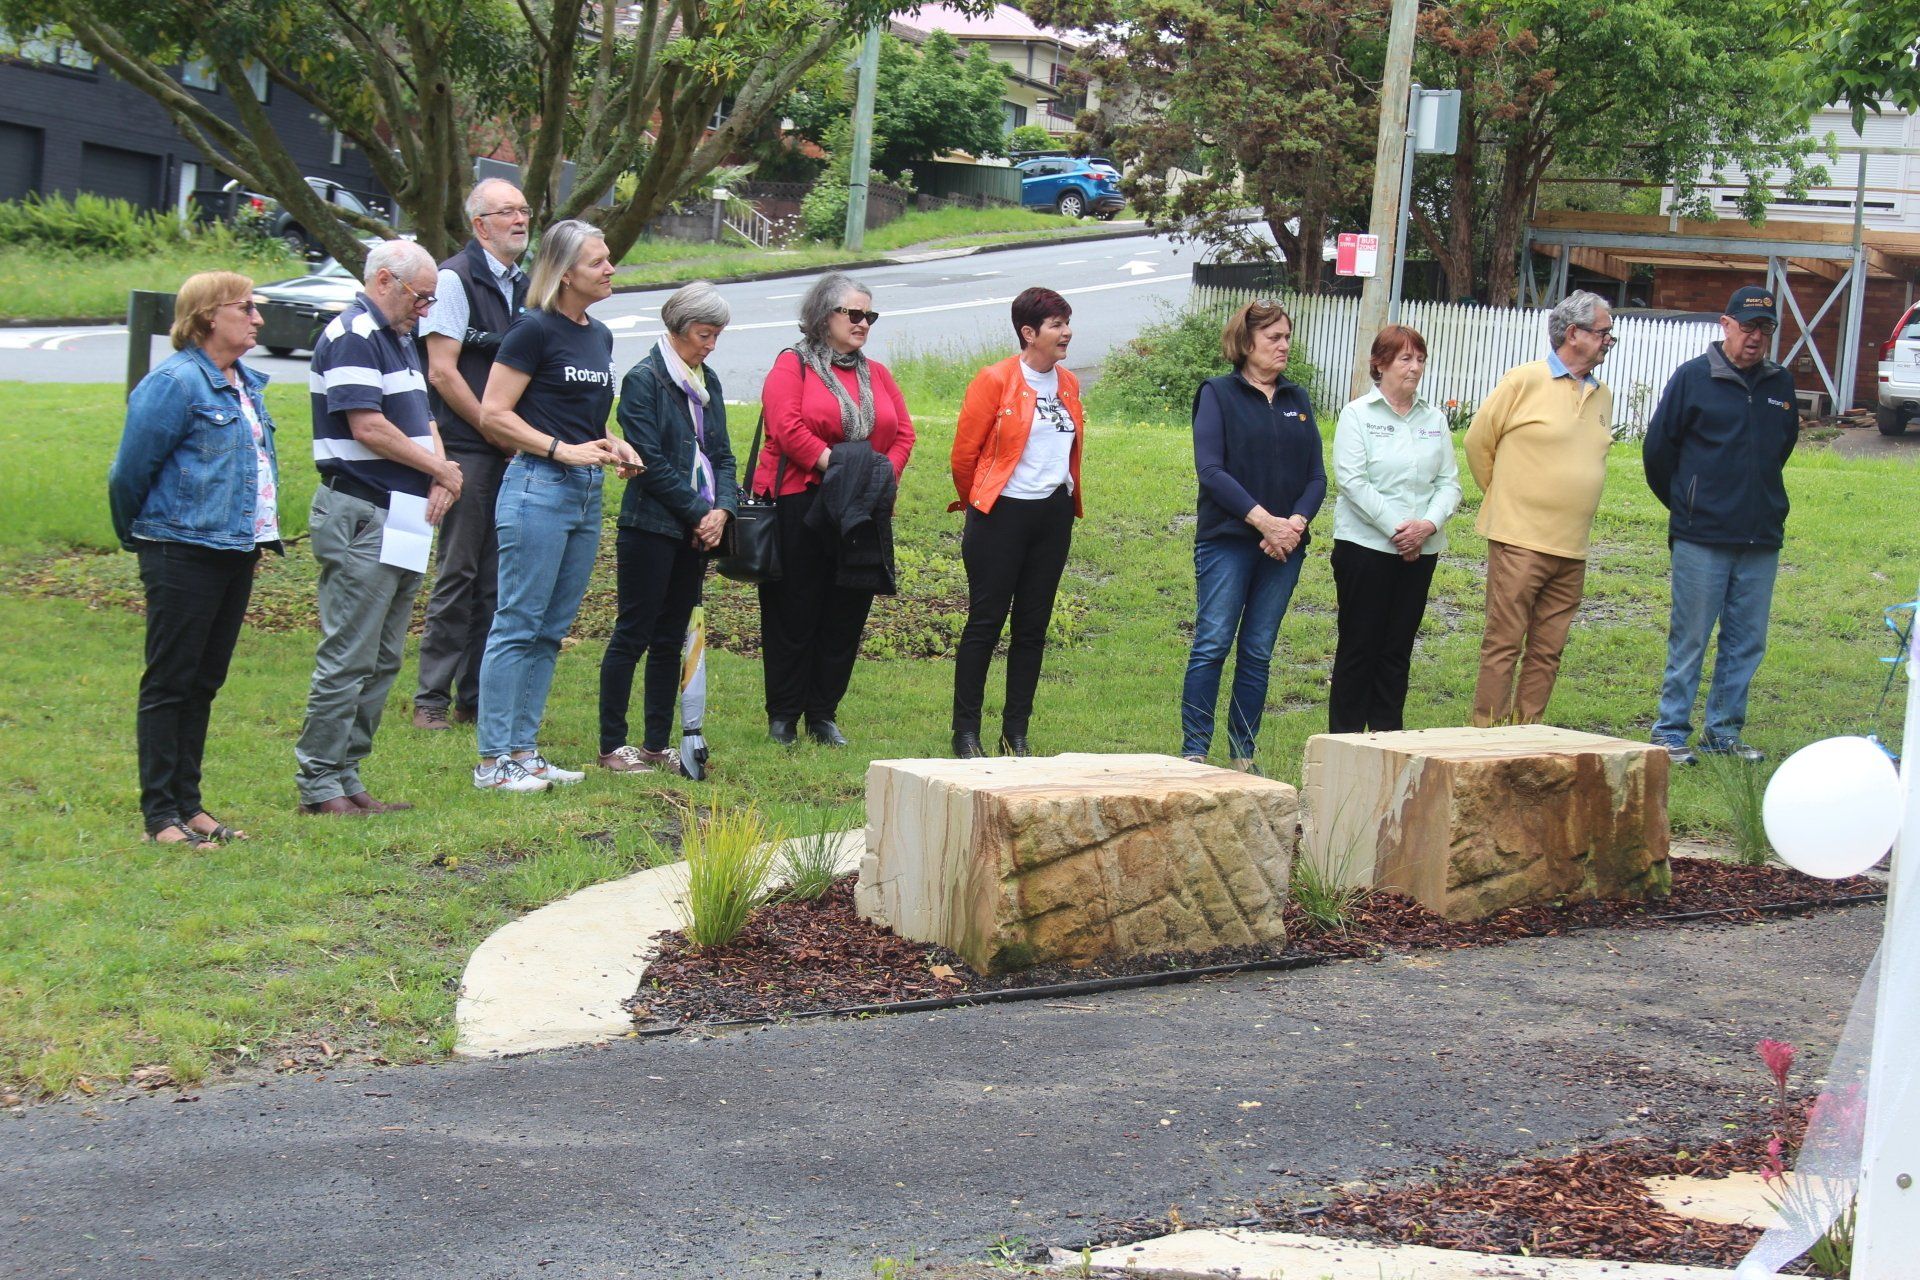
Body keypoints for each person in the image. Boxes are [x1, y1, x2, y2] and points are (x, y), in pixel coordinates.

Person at [108, 271, 282, 846]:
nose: (257, 319)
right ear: (209, 315)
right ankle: (160, 815)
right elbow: (128, 473)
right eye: (246, 308)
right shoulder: (176, 383)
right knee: (171, 681)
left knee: (204, 680)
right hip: (180, 552)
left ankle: (191, 803)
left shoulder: (245, 383)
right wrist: (145, 540)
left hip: (234, 550)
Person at [472, 219, 642, 793]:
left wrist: (612, 442)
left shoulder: (598, 335)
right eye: (598, 262)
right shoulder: (532, 330)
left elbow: (582, 418)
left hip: (584, 490)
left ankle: (526, 751)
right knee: (517, 623)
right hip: (537, 487)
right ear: (565, 273)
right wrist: (560, 450)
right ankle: (493, 761)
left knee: (549, 629)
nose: (610, 269)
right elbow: (493, 413)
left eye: (608, 258)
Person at [295, 239, 461, 816]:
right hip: (363, 513)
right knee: (349, 653)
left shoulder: (398, 340)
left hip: (405, 516)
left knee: (385, 655)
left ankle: (347, 773)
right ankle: (319, 783)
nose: (426, 309)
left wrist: (442, 473)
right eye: (422, 296)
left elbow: (422, 420)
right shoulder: (353, 336)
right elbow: (367, 426)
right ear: (386, 280)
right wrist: (439, 468)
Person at [753, 272, 914, 748]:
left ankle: (822, 714)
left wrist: (877, 480)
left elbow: (903, 433)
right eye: (855, 314)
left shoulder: (877, 373)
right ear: (825, 316)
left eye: (870, 316)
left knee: (846, 609)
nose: (864, 323)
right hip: (802, 500)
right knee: (794, 609)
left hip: (861, 509)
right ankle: (783, 715)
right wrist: (840, 469)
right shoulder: (793, 365)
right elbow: (786, 427)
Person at [1643, 285, 1799, 765]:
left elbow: (1781, 449)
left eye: (1765, 329)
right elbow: (1658, 452)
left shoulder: (1780, 385)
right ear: (1725, 325)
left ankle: (1723, 734)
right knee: (1690, 637)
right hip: (1701, 536)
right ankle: (1670, 734)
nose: (1755, 338)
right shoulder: (1692, 378)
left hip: (1760, 536)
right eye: (1747, 327)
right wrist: (1687, 505)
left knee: (1746, 641)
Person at [598, 281, 737, 774]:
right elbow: (650, 462)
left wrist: (723, 510)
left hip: (696, 529)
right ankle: (613, 745)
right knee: (633, 632)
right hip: (651, 526)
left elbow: (721, 454)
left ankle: (656, 743)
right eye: (704, 334)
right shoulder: (643, 379)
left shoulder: (709, 380)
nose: (710, 345)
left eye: (717, 335)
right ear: (677, 329)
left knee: (671, 636)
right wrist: (698, 512)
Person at [1180, 299, 1326, 771]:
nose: (1284, 345)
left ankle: (1243, 753)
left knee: (1258, 649)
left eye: (1287, 337)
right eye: (1274, 338)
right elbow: (1211, 470)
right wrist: (1263, 520)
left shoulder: (1297, 399)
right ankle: (1195, 750)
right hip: (1228, 541)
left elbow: (1317, 477)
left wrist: (1294, 526)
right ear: (1246, 343)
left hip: (1284, 548)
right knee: (1213, 642)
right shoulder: (1217, 394)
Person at [1463, 290, 1616, 727]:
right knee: (1504, 643)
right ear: (1574, 334)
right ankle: (1486, 736)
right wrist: (1505, 497)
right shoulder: (1523, 380)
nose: (1608, 340)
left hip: (1572, 547)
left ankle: (1527, 737)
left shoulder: (1602, 395)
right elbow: (1478, 443)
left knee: (1549, 650)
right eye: (1604, 332)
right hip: (1519, 539)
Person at [411, 178, 530, 730]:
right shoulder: (454, 279)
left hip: (512, 448)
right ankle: (431, 699)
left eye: (525, 211)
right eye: (507, 212)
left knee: (496, 580)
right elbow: (441, 370)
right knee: (458, 572)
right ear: (479, 224)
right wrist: (493, 430)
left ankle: (476, 699)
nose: (520, 220)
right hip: (468, 449)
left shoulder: (524, 285)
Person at [947, 286, 1085, 758]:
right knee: (985, 623)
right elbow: (964, 455)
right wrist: (980, 503)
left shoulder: (1068, 383)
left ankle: (1015, 733)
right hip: (1000, 513)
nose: (1066, 332)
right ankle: (965, 733)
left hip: (1052, 514)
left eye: (1067, 322)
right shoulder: (995, 380)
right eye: (1056, 325)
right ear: (1029, 333)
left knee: (1033, 626)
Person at [1328, 324, 1461, 734]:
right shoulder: (1357, 415)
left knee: (1397, 650)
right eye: (1405, 359)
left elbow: (1449, 483)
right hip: (1365, 548)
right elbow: (1352, 481)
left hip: (1420, 551)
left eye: (1420, 359)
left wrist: (1427, 526)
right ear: (1380, 364)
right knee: (1359, 648)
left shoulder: (1434, 418)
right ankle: (1344, 744)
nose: (1415, 367)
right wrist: (1397, 529)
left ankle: (1388, 741)